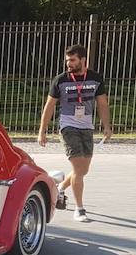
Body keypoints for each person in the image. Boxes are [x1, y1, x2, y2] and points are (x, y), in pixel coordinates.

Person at [38, 44, 112, 222]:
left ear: (83, 60)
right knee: (79, 169)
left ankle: (59, 188)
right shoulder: (61, 80)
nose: (68, 64)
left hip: (87, 127)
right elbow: (49, 106)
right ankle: (79, 209)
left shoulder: (95, 78)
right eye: (67, 60)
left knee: (82, 170)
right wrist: (42, 131)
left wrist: (107, 126)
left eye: (72, 60)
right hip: (68, 126)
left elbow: (102, 103)